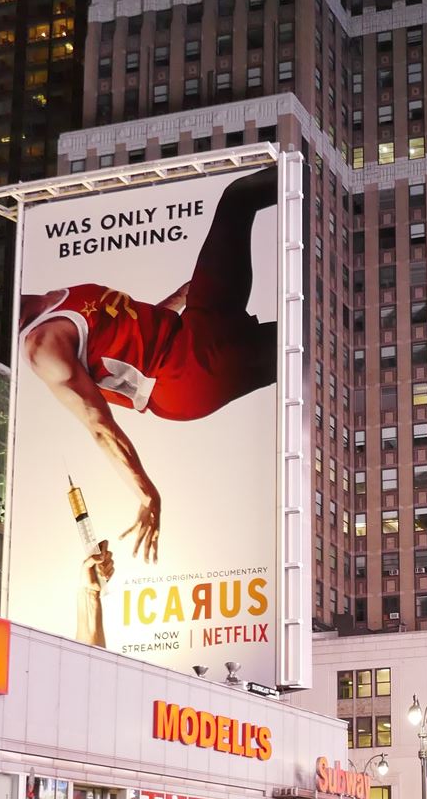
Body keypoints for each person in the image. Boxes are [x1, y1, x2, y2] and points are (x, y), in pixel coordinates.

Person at [18, 163, 279, 566]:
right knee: (304, 341)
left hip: (190, 325)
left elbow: (128, 340)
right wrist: (147, 495)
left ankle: (327, 183)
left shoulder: (50, 298)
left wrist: (178, 298)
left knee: (238, 196)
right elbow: (99, 426)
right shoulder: (43, 346)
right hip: (186, 376)